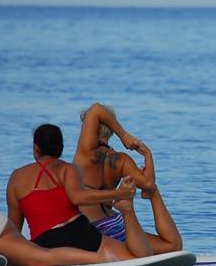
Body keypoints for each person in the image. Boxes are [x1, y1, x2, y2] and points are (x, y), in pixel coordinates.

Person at [6, 123, 154, 261]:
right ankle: (125, 216)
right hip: (79, 232)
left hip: (44, 242)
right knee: (137, 257)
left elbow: (14, 228)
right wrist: (119, 193)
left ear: (35, 148)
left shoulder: (16, 178)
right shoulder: (68, 169)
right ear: (61, 147)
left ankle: (92, 260)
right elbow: (78, 197)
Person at [72, 103, 182, 254]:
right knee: (173, 246)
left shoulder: (85, 153)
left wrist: (124, 135)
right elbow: (148, 184)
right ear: (111, 130)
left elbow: (96, 109)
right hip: (116, 224)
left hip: (93, 231)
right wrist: (147, 154)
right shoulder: (122, 159)